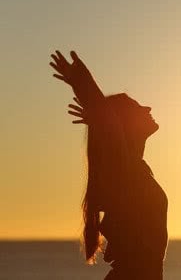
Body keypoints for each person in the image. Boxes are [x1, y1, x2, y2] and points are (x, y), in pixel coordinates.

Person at [49, 51, 168, 279]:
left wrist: (99, 122)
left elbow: (110, 129)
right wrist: (81, 82)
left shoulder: (135, 171)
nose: (148, 109)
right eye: (137, 107)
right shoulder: (127, 173)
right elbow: (111, 127)